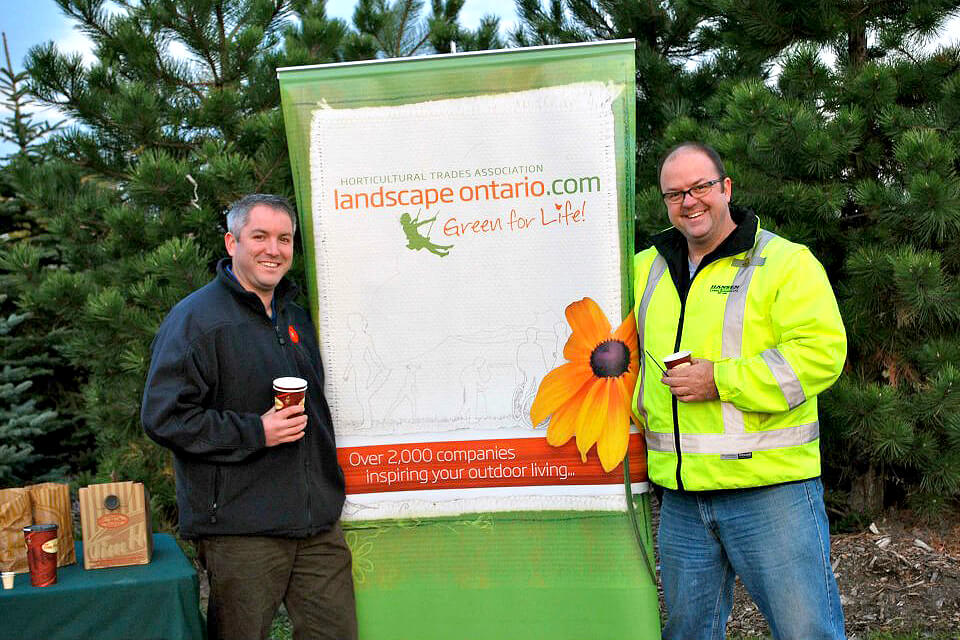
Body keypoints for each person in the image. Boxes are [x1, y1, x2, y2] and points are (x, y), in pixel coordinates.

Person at [632, 143, 847, 639]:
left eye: (701, 187)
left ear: (726, 188)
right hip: (683, 498)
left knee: (806, 632)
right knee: (688, 634)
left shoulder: (785, 263)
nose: (689, 202)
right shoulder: (646, 268)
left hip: (771, 492)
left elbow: (821, 355)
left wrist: (721, 380)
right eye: (675, 193)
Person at [142, 194, 357, 640]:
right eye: (259, 236)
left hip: (316, 526)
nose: (272, 249)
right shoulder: (195, 321)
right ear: (231, 242)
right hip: (242, 531)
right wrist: (256, 430)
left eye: (284, 239)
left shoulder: (296, 316)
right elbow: (164, 417)